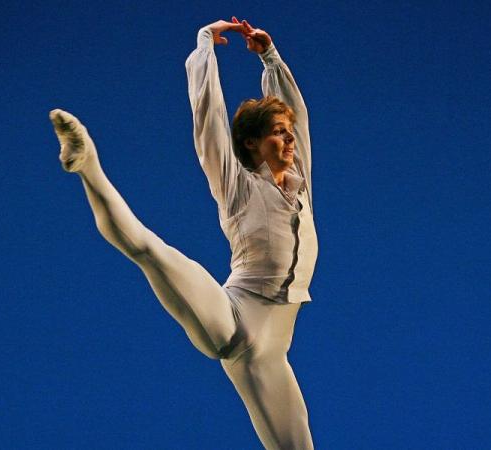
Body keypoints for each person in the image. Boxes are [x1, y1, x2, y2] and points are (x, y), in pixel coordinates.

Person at [49, 17, 317, 450]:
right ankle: (87, 164)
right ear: (250, 143)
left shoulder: (300, 185)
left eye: (289, 135)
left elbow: (297, 119)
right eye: (276, 134)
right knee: (147, 248)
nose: (289, 141)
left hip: (271, 356)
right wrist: (204, 50)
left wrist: (270, 58)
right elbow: (209, 122)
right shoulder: (239, 185)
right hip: (234, 316)